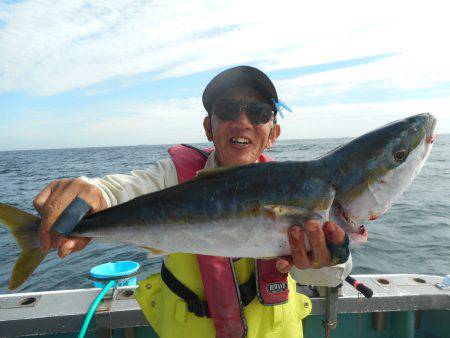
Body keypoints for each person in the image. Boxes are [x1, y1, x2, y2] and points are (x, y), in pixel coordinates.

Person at [34, 66, 352, 338]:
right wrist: (92, 192)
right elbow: (125, 189)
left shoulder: (298, 190)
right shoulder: (176, 176)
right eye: (227, 109)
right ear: (208, 128)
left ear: (273, 133)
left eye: (259, 113)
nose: (242, 122)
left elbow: (327, 278)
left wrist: (333, 257)